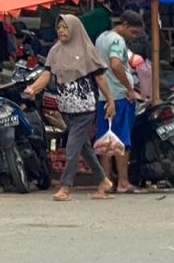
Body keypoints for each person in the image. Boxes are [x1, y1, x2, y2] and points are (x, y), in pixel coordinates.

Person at [24, 14, 115, 201]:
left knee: (72, 145)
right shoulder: (55, 51)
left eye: (65, 27)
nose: (61, 31)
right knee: (83, 146)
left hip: (85, 107)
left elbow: (100, 78)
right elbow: (47, 74)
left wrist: (110, 101)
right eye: (59, 28)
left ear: (74, 28)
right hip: (65, 107)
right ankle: (103, 180)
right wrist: (33, 88)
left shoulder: (88, 50)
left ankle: (65, 187)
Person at [95, 10, 143, 193]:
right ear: (123, 26)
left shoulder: (101, 38)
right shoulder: (117, 40)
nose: (134, 37)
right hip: (120, 97)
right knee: (122, 140)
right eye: (133, 32)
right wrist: (129, 89)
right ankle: (123, 182)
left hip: (103, 96)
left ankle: (106, 181)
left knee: (105, 140)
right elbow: (116, 64)